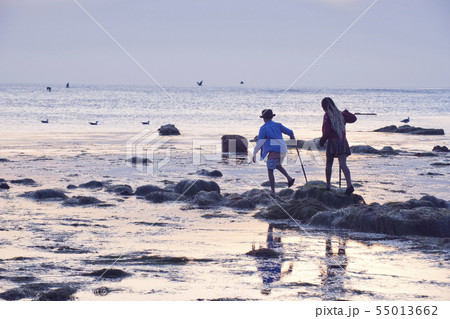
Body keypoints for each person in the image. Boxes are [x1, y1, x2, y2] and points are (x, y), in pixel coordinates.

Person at [253, 109, 295, 197]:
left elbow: (260, 142)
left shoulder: (263, 128)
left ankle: (273, 191)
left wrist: (254, 153)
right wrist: (292, 138)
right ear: (271, 117)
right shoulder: (278, 125)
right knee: (277, 165)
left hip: (275, 150)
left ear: (264, 118)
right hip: (283, 148)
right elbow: (290, 132)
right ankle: (289, 178)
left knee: (270, 169)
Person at [319, 97, 356, 194]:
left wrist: (322, 141)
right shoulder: (341, 114)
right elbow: (353, 118)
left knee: (329, 163)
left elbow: (326, 132)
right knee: (343, 164)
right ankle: (349, 185)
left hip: (332, 141)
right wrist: (346, 112)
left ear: (324, 106)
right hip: (342, 140)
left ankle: (328, 185)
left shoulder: (327, 115)